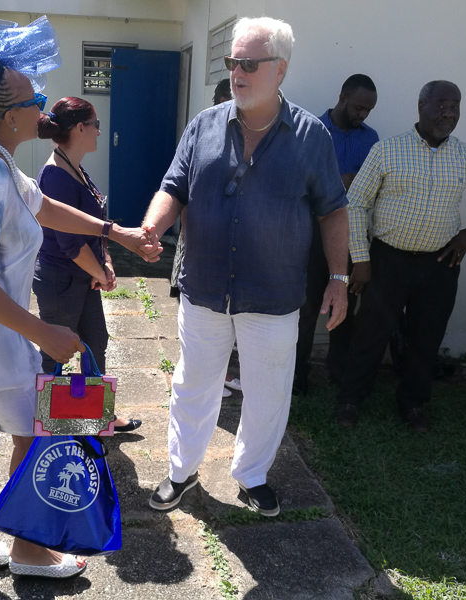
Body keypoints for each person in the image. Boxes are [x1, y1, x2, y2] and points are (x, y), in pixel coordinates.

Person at [0, 18, 160, 580]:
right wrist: (42, 331)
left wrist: (114, 232)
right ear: (10, 115)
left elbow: (42, 207)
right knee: (36, 430)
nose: (43, 107)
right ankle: (29, 550)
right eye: (35, 99)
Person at [142, 17, 349, 517]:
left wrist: (339, 278)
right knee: (193, 383)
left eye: (250, 64)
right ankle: (181, 471)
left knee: (268, 392)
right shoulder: (204, 125)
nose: (237, 72)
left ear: (280, 69)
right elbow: (173, 186)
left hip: (273, 294)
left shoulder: (311, 136)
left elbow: (333, 211)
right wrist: (152, 227)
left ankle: (252, 475)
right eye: (233, 61)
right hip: (205, 286)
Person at [335, 80, 466, 432]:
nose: (449, 113)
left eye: (455, 106)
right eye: (441, 104)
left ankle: (412, 401)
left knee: (426, 337)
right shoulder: (388, 150)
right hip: (388, 261)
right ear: (422, 106)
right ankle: (351, 399)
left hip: (439, 264)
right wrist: (362, 258)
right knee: (371, 333)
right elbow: (356, 203)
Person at [33, 97, 141, 432]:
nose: (99, 132)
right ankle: (48, 427)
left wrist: (105, 262)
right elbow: (70, 244)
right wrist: (101, 274)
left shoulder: (74, 167)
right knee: (56, 353)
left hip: (84, 277)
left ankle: (96, 415)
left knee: (95, 342)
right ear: (80, 128)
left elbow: (93, 226)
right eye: (96, 125)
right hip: (61, 281)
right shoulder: (56, 175)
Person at [292, 74, 378, 394]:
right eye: (358, 107)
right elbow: (295, 181)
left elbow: (374, 185)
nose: (362, 115)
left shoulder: (371, 139)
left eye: (368, 110)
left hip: (353, 234)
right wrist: (339, 182)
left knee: (345, 305)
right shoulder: (311, 130)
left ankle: (338, 371)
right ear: (342, 97)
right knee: (307, 307)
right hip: (314, 233)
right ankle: (297, 377)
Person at [170, 78, 241, 398]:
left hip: (227, 247)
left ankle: (220, 374)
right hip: (199, 242)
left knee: (225, 320)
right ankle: (206, 376)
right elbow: (184, 191)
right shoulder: (204, 131)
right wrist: (189, 237)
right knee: (198, 315)